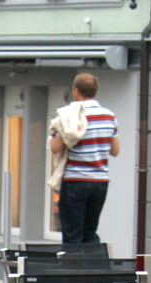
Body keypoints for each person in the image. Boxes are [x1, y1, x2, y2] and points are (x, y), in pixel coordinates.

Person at [49, 72, 118, 246]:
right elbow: (115, 150)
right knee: (90, 232)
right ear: (95, 91)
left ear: (76, 90)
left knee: (73, 235)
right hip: (100, 182)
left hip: (75, 180)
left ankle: (73, 271)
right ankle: (92, 270)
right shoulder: (109, 116)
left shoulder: (68, 116)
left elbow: (55, 148)